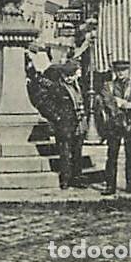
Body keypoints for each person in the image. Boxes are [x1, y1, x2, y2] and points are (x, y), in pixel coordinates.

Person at [100, 59, 131, 195]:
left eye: (123, 70)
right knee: (112, 155)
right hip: (114, 125)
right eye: (118, 71)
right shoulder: (108, 86)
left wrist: (130, 104)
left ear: (128, 71)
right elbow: (107, 102)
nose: (120, 73)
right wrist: (118, 107)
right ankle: (110, 186)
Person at [50, 60, 88, 190]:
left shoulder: (78, 86)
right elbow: (50, 105)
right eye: (74, 74)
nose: (75, 77)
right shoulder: (58, 87)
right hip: (65, 125)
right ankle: (65, 179)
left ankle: (76, 178)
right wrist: (58, 118)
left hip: (79, 124)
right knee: (65, 153)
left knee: (77, 152)